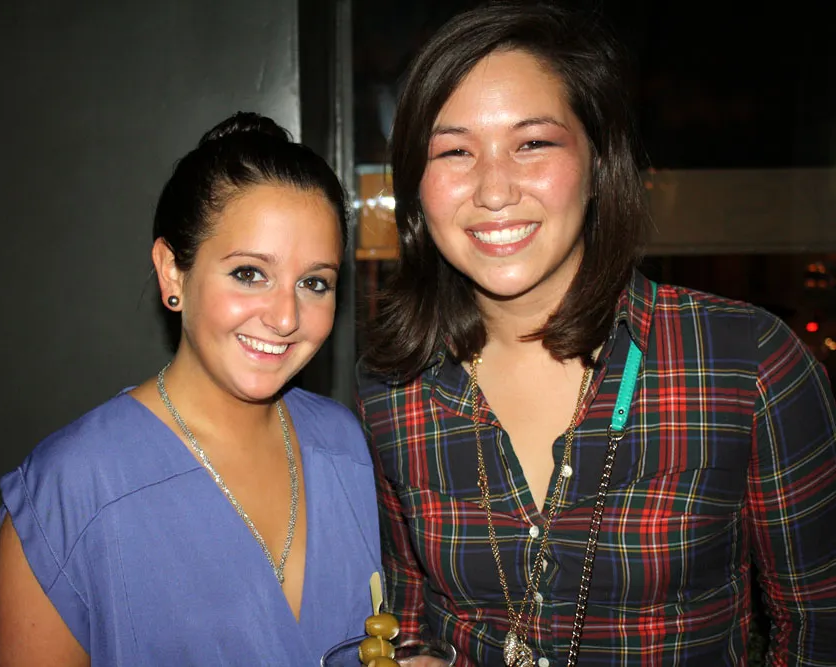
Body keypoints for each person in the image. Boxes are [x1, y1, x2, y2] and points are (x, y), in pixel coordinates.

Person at [356, 3, 836, 666]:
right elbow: (406, 617)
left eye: (532, 144)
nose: (493, 190)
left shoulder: (745, 363)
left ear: (598, 160)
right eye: (455, 151)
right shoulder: (394, 387)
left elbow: (818, 626)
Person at [0, 112, 380, 666]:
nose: (286, 317)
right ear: (173, 272)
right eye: (249, 273)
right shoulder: (71, 490)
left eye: (314, 283)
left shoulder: (344, 444)